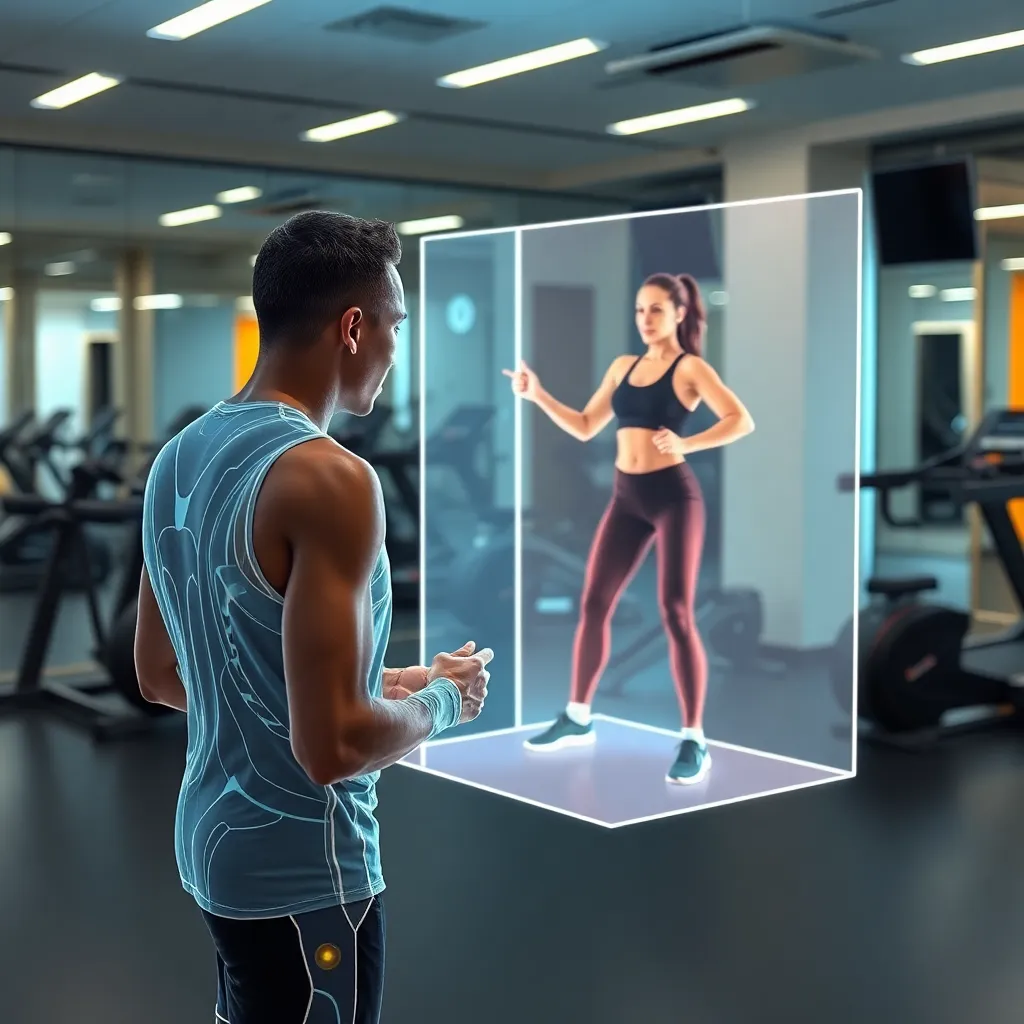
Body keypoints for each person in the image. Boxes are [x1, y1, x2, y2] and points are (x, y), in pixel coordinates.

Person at [133, 210, 494, 1024]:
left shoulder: (177, 457)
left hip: (214, 851)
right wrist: (443, 702)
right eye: (395, 325)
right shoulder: (331, 478)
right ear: (354, 327)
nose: (396, 350)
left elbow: (165, 672)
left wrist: (392, 678)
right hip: (308, 874)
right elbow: (332, 747)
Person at [504, 272, 753, 785]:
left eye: (656, 310)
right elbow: (584, 424)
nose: (646, 320)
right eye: (640, 310)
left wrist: (690, 444)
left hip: (674, 497)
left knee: (676, 611)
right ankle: (577, 716)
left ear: (680, 314)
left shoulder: (691, 369)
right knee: (594, 602)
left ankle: (694, 738)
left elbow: (739, 419)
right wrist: (538, 395)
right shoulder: (624, 366)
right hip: (626, 497)